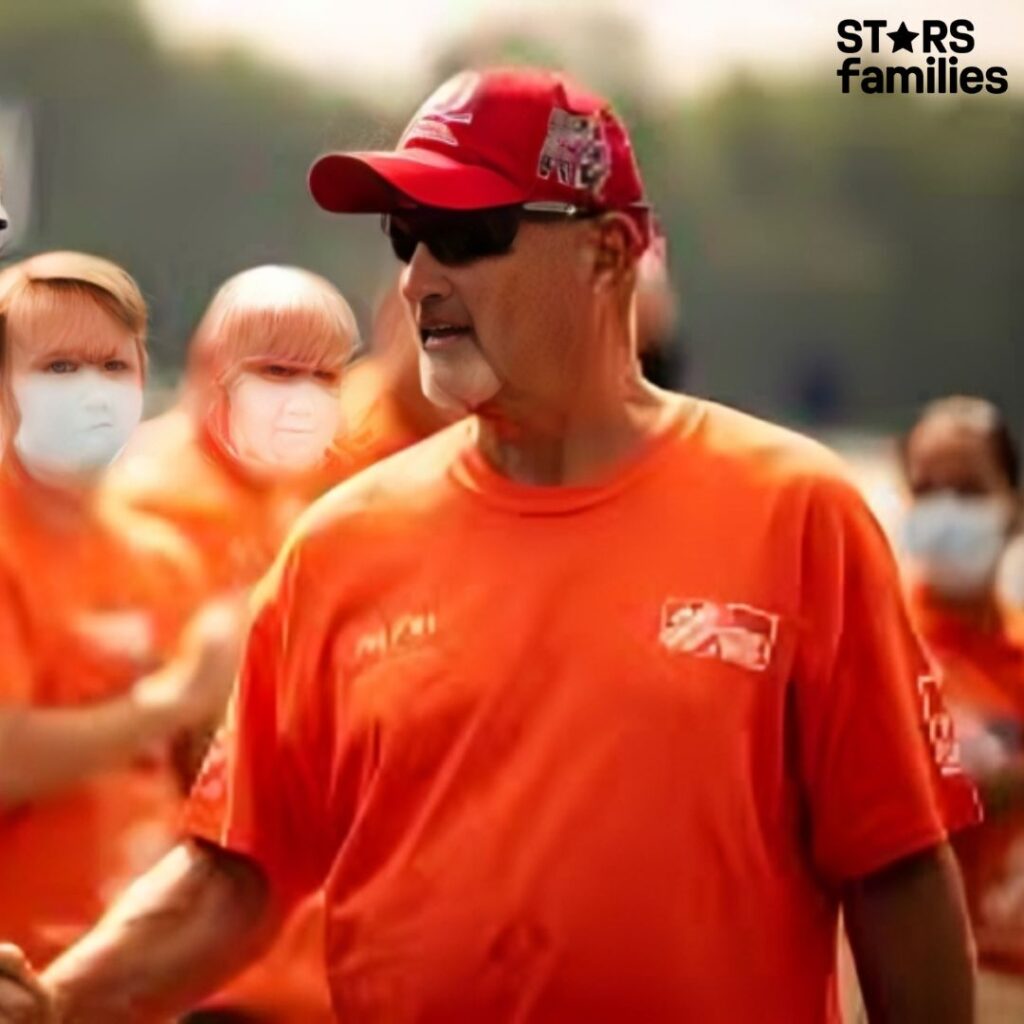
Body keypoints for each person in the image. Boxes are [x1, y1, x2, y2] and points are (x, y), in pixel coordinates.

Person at [0, 67, 980, 1024]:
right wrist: (58, 1003)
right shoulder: (338, 545)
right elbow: (232, 871)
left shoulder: (796, 512)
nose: (420, 278)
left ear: (606, 255)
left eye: (466, 234)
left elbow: (895, 869)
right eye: (406, 235)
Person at [104, 265, 357, 1023]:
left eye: (322, 377)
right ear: (213, 364)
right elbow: (189, 734)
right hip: (207, 958)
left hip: (289, 951)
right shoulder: (150, 504)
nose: (300, 398)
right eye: (278, 371)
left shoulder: (290, 496)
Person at [0, 251, 239, 970]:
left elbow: (203, 778)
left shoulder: (163, 558)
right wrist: (170, 701)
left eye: (115, 367)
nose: (94, 394)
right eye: (60, 369)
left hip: (132, 975)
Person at [900, 395, 1024, 1019]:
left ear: (1014, 508)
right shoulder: (875, 639)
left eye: (969, 489)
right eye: (926, 488)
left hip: (1009, 979)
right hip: (901, 972)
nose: (945, 509)